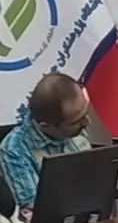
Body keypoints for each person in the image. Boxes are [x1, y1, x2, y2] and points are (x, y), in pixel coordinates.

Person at [0, 72, 93, 208]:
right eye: (76, 121)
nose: (88, 122)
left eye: (85, 112)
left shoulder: (75, 127)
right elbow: (35, 212)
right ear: (46, 126)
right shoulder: (14, 152)